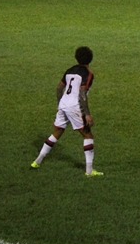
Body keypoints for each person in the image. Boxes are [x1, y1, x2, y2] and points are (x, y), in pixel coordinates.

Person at [31, 46, 103, 177]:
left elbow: (59, 89)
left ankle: (37, 161)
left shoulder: (69, 70)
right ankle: (89, 171)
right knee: (88, 135)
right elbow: (82, 94)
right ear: (90, 59)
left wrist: (60, 105)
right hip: (74, 106)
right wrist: (87, 114)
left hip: (63, 104)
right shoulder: (88, 74)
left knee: (57, 132)